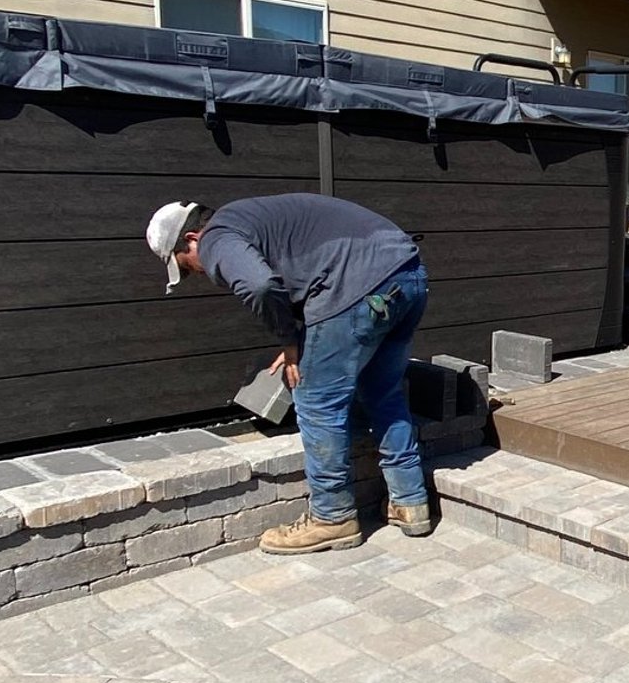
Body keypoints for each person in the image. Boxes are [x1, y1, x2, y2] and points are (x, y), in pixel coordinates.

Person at [144, 192, 431, 550]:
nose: (197, 272)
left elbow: (259, 285)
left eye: (186, 265)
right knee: (382, 390)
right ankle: (410, 501)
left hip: (358, 288)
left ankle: (333, 518)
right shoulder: (252, 217)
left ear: (191, 239)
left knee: (315, 400)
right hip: (408, 275)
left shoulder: (217, 236)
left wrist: (290, 339)